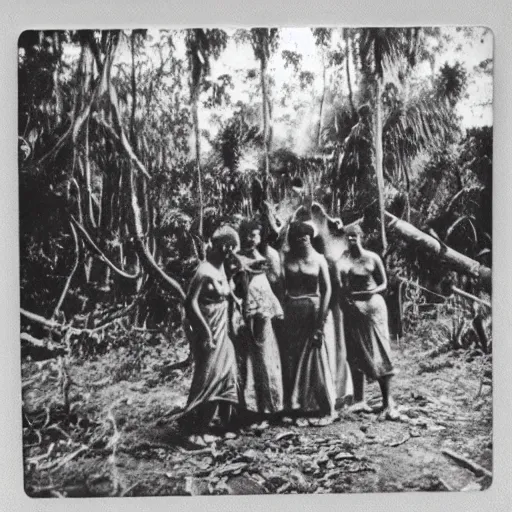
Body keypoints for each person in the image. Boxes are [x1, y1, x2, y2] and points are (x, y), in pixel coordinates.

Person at [171, 226, 241, 438]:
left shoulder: (222, 268)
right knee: (207, 377)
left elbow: (229, 296)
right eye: (229, 249)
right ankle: (194, 432)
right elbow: (190, 303)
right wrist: (205, 332)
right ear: (223, 248)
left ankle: (221, 425)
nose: (231, 254)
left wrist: (238, 310)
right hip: (210, 328)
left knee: (227, 374)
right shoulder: (204, 271)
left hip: (223, 329)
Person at [336, 224, 398, 420]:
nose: (352, 240)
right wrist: (346, 301)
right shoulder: (343, 259)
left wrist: (373, 291)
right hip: (353, 308)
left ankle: (388, 401)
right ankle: (359, 399)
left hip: (373, 308)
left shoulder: (372, 257)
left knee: (379, 351)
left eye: (355, 236)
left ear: (361, 237)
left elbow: (385, 283)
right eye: (348, 237)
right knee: (354, 352)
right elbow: (339, 284)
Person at [282, 221, 337, 425]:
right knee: (293, 361)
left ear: (310, 237)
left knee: (315, 359)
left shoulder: (319, 260)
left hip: (313, 311)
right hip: (291, 312)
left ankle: (324, 408)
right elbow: (280, 286)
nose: (302, 240)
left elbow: (327, 290)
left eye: (305, 236)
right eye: (297, 237)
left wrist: (320, 325)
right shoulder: (286, 258)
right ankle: (297, 408)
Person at [233, 220, 284, 422]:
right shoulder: (235, 257)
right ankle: (247, 409)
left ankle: (269, 407)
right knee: (245, 361)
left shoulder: (265, 255)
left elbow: (275, 279)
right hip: (243, 312)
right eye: (247, 235)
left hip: (263, 311)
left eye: (255, 235)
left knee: (265, 357)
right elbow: (235, 283)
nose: (251, 239)